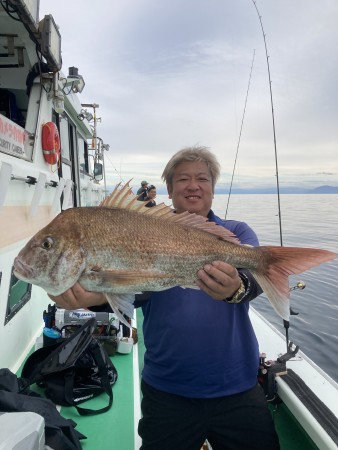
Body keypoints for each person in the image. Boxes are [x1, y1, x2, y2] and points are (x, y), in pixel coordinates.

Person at [49, 146, 280, 450]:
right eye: (183, 179)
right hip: (168, 391)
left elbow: (253, 281)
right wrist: (92, 298)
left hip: (237, 387)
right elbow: (134, 291)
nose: (193, 185)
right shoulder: (142, 233)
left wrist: (236, 287)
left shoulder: (235, 232)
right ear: (169, 190)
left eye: (202, 178)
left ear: (212, 188)